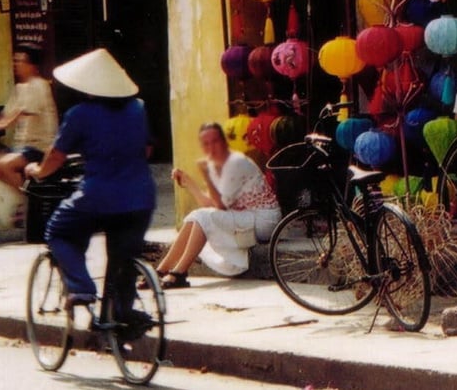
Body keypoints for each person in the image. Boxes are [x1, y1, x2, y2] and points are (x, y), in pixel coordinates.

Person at [24, 48, 156, 332]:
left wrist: (36, 171)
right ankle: (119, 313)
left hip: (98, 196)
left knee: (57, 232)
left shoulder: (79, 114)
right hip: (141, 197)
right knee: (122, 257)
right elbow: (145, 149)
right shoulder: (138, 109)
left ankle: (81, 288)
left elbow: (56, 158)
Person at [150, 122, 281, 289]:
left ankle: (179, 272)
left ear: (224, 141)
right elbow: (210, 203)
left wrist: (194, 181)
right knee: (195, 216)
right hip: (245, 215)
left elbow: (217, 205)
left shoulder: (236, 163)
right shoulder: (216, 165)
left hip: (264, 219)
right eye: (206, 143)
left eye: (215, 141)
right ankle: (163, 269)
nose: (211, 147)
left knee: (204, 216)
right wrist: (192, 181)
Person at [0, 43, 58, 190]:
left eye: (20, 61)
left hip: (38, 147)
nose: (16, 64)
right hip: (22, 146)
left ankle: (25, 203)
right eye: (15, 61)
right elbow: (6, 114)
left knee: (2, 166)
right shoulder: (19, 88)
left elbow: (20, 113)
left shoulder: (40, 85)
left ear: (32, 65)